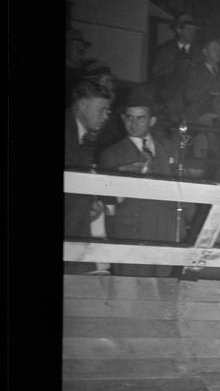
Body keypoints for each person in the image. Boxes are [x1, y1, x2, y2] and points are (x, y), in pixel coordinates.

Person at [97, 90, 193, 276]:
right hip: (131, 233)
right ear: (123, 119)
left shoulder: (170, 148)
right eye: (129, 118)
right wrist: (122, 176)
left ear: (152, 121)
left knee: (167, 292)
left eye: (140, 118)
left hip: (168, 231)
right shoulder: (111, 154)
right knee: (132, 291)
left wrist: (194, 224)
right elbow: (104, 195)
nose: (134, 123)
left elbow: (185, 188)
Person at [65, 80, 115, 273]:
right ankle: (76, 267)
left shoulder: (84, 134)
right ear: (82, 105)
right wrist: (87, 200)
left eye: (108, 111)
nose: (106, 117)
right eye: (101, 110)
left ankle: (87, 266)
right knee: (80, 202)